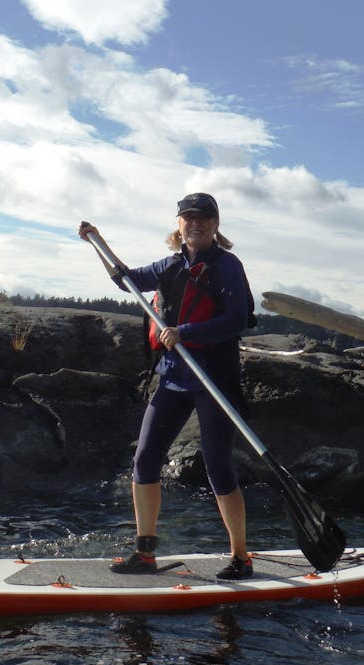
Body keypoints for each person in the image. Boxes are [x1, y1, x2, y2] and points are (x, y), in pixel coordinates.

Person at [78, 193, 254, 580]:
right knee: (144, 459)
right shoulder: (170, 264)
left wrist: (186, 331)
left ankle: (241, 556)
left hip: (213, 378)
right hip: (175, 375)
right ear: (178, 225)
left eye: (203, 219)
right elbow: (129, 281)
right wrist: (97, 244)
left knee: (218, 467)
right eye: (188, 218)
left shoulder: (226, 267)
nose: (195, 224)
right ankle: (146, 554)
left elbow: (236, 319)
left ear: (215, 225)